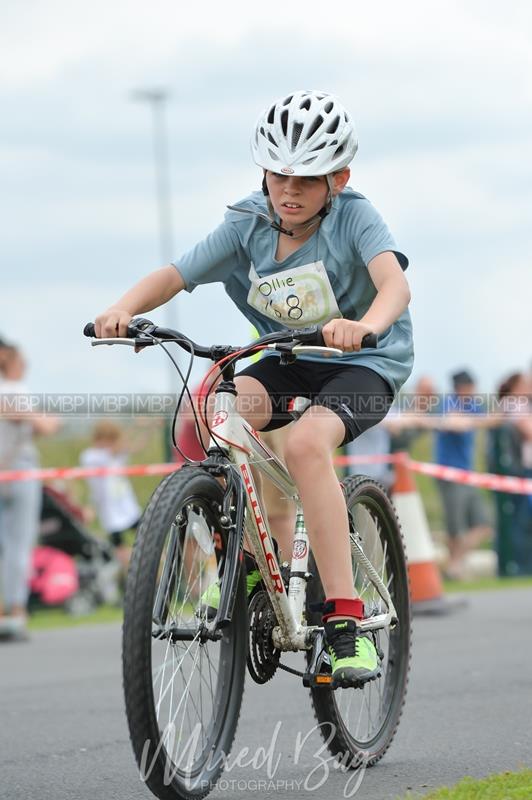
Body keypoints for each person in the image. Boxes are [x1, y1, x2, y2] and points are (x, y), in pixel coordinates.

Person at [92, 90, 413, 688]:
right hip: (288, 357)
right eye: (278, 175)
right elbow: (176, 274)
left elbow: (393, 286)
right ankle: (250, 561)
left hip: (366, 363)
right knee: (225, 412)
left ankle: (344, 622)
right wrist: (121, 311)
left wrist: (366, 325)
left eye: (308, 179)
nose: (290, 191)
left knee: (308, 446)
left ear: (338, 178)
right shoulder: (246, 222)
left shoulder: (356, 217)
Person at [0, 344, 58, 640]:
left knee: (6, 547)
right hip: (18, 473)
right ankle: (15, 613)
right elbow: (46, 426)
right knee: (18, 546)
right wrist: (45, 417)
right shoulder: (13, 389)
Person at [434, 369, 493, 579]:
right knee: (455, 529)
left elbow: (489, 420)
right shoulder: (447, 403)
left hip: (467, 474)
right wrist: (466, 421)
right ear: (460, 388)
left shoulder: (472, 406)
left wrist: (470, 421)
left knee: (485, 525)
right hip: (449, 474)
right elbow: (451, 423)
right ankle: (454, 569)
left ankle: (453, 565)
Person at [80, 421, 142, 572]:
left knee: (146, 537)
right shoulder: (91, 456)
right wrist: (138, 424)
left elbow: (132, 447)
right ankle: (129, 575)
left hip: (128, 507)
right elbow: (119, 447)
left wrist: (146, 427)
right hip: (110, 511)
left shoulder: (115, 455)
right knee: (119, 547)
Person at [487, 372, 532, 575]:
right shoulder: (514, 404)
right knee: (518, 522)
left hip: (520, 472)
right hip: (520, 473)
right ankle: (518, 566)